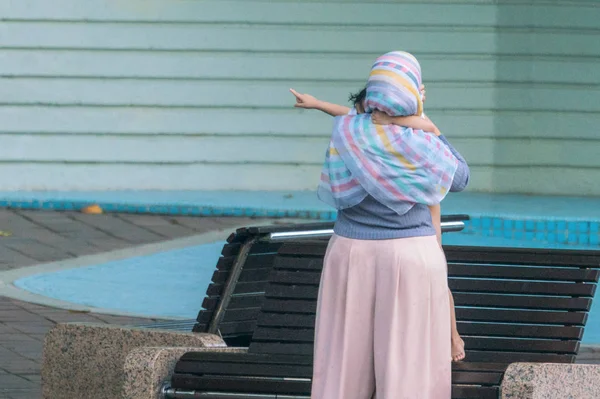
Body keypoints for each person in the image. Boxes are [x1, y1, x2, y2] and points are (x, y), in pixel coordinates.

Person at [307, 51, 470, 398]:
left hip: (349, 255)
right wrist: (427, 125)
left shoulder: (348, 132)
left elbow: (350, 116)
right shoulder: (420, 142)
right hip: (410, 257)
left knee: (341, 371)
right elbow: (459, 178)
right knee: (408, 371)